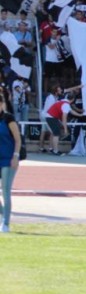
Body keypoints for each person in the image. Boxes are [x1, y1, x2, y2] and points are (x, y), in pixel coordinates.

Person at [0, 94, 21, 232]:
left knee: (5, 191)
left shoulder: (8, 118)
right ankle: (4, 215)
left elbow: (18, 139)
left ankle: (6, 224)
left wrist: (15, 156)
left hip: (8, 159)